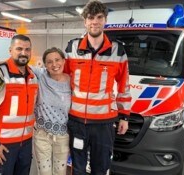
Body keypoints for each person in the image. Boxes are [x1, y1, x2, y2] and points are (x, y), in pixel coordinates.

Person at [64, 0, 131, 174]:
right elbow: (60, 79)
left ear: (105, 20)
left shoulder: (118, 51)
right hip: (77, 121)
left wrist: (124, 116)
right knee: (77, 168)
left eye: (99, 17)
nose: (95, 21)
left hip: (104, 124)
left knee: (100, 168)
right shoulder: (72, 48)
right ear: (85, 21)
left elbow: (124, 86)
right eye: (91, 17)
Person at [0, 34, 38, 175]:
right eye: (19, 49)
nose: (24, 53)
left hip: (26, 143)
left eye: (27, 49)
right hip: (3, 145)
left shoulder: (33, 76)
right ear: (10, 50)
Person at [30, 47, 71, 175]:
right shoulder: (41, 75)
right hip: (42, 135)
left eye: (57, 60)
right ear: (45, 65)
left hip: (63, 135)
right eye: (49, 62)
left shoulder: (72, 81)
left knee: (60, 171)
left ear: (64, 61)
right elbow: (18, 65)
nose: (54, 64)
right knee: (44, 172)